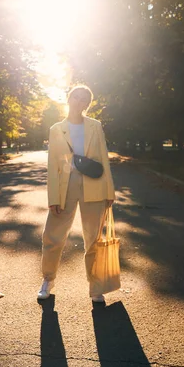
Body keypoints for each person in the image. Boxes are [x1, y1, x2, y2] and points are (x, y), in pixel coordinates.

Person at [38, 85, 115, 303]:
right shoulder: (56, 129)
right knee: (53, 235)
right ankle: (48, 279)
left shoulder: (95, 126)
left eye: (84, 99)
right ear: (69, 98)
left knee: (93, 238)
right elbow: (53, 165)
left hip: (95, 184)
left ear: (86, 105)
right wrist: (53, 197)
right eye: (75, 97)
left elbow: (103, 158)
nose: (78, 101)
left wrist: (109, 190)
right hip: (66, 185)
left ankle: (96, 286)